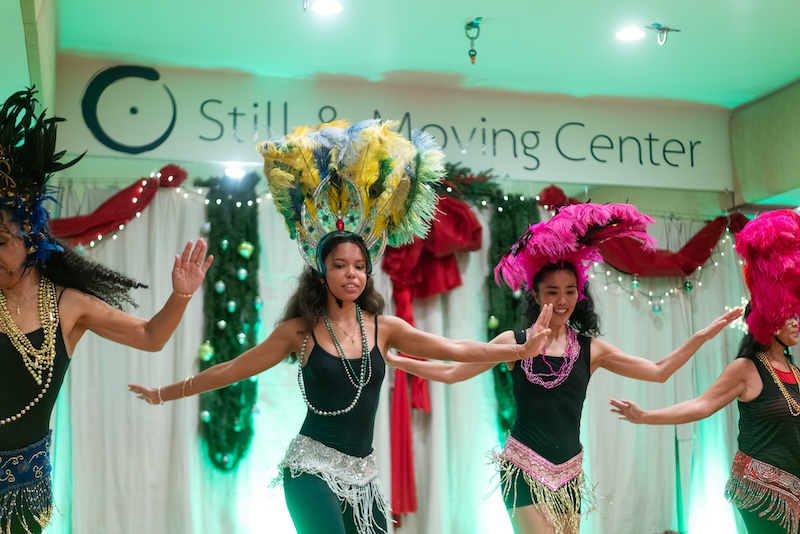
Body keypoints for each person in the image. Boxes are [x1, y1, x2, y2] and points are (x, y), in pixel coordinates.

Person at [128, 119, 553, 534]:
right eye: (340, 266)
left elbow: (455, 348)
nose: (352, 274)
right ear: (321, 273)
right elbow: (230, 370)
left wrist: (517, 350)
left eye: (359, 267)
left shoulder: (385, 328)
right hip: (310, 469)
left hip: (364, 476)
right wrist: (165, 393)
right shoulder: (298, 331)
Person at [384, 203, 743, 534]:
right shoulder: (516, 342)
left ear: (579, 294)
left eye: (569, 291)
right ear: (536, 295)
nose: (561, 301)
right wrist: (401, 361)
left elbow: (659, 370)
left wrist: (701, 337)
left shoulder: (592, 350)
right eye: (552, 292)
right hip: (522, 469)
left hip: (569, 473)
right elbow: (451, 372)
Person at [0, 88, 213, 534]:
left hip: (22, 491)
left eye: (2, 242)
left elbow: (151, 338)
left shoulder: (68, 304)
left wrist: (180, 297)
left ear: (33, 239)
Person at [610, 209, 800, 534]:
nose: (796, 323)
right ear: (768, 320)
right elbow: (700, 405)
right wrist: (647, 416)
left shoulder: (795, 371)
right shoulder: (745, 369)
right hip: (762, 491)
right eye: (787, 316)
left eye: (797, 314)